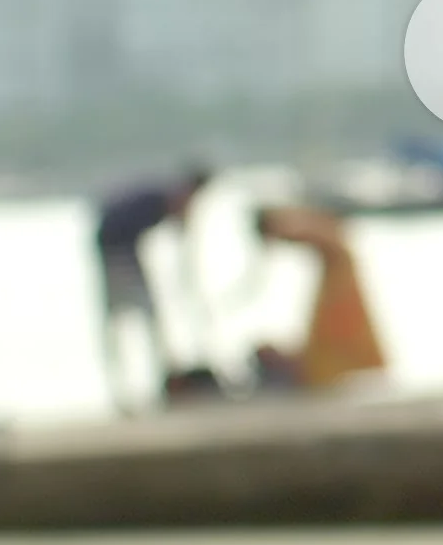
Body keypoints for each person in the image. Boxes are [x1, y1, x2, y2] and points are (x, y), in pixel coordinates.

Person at [89, 162, 213, 412]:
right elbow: (179, 222)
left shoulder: (163, 194)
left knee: (131, 320)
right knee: (136, 319)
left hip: (119, 251)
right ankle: (138, 384)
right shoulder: (171, 196)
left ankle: (143, 382)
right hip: (117, 254)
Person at [247, 203, 391, 394]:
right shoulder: (338, 273)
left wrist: (285, 225)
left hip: (347, 383)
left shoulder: (340, 267)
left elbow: (330, 243)